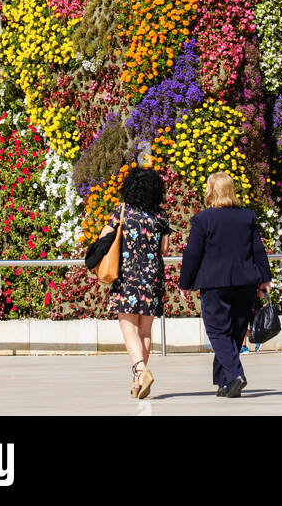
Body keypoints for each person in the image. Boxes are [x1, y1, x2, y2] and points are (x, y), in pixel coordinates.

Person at [178, 171, 272, 399]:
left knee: (218, 332)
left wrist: (185, 283)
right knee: (235, 331)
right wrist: (264, 279)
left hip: (214, 284)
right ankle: (225, 383)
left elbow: (192, 254)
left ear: (211, 191)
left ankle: (235, 375)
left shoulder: (203, 219)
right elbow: (257, 250)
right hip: (245, 282)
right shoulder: (247, 217)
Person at [96, 165, 170, 400]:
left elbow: (103, 239)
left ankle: (140, 370)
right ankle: (138, 380)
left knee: (129, 328)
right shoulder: (161, 216)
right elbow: (164, 249)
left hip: (127, 278)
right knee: (145, 330)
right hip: (152, 279)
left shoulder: (123, 211)